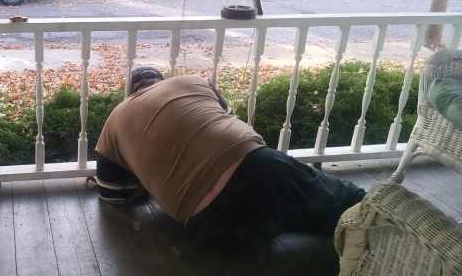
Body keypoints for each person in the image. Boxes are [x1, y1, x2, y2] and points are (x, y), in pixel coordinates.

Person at [94, 66, 366, 247]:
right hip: (258, 166)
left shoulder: (115, 119)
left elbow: (112, 195)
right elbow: (228, 118)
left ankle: (272, 225)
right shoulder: (194, 82)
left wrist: (147, 181)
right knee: (349, 203)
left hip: (208, 224)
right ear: (163, 81)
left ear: (130, 94)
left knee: (272, 222)